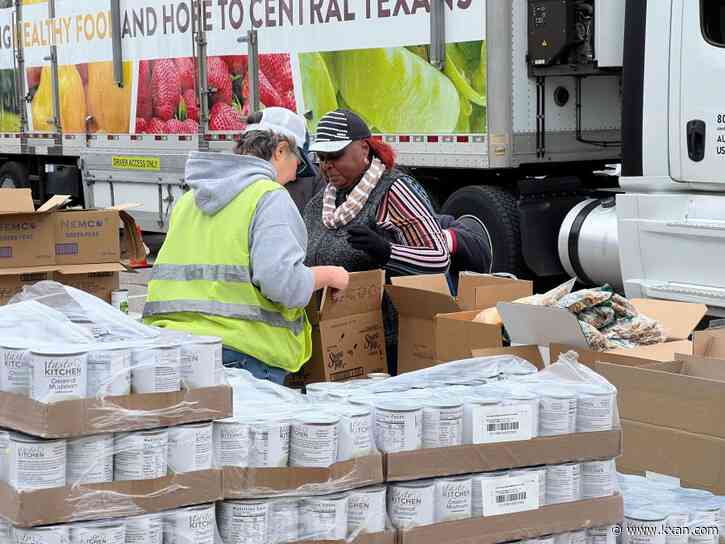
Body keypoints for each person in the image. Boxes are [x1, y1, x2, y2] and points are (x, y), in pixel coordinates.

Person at [144, 107, 349, 384]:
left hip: (173, 349)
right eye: (298, 164)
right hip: (244, 358)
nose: (294, 176)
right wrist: (331, 275)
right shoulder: (268, 196)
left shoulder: (191, 198)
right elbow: (282, 284)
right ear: (280, 150)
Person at [303, 109, 451, 374]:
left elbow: (439, 257)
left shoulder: (394, 190)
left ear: (363, 148)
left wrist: (386, 251)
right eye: (321, 158)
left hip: (383, 342)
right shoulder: (320, 202)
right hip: (332, 339)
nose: (326, 165)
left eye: (335, 156)